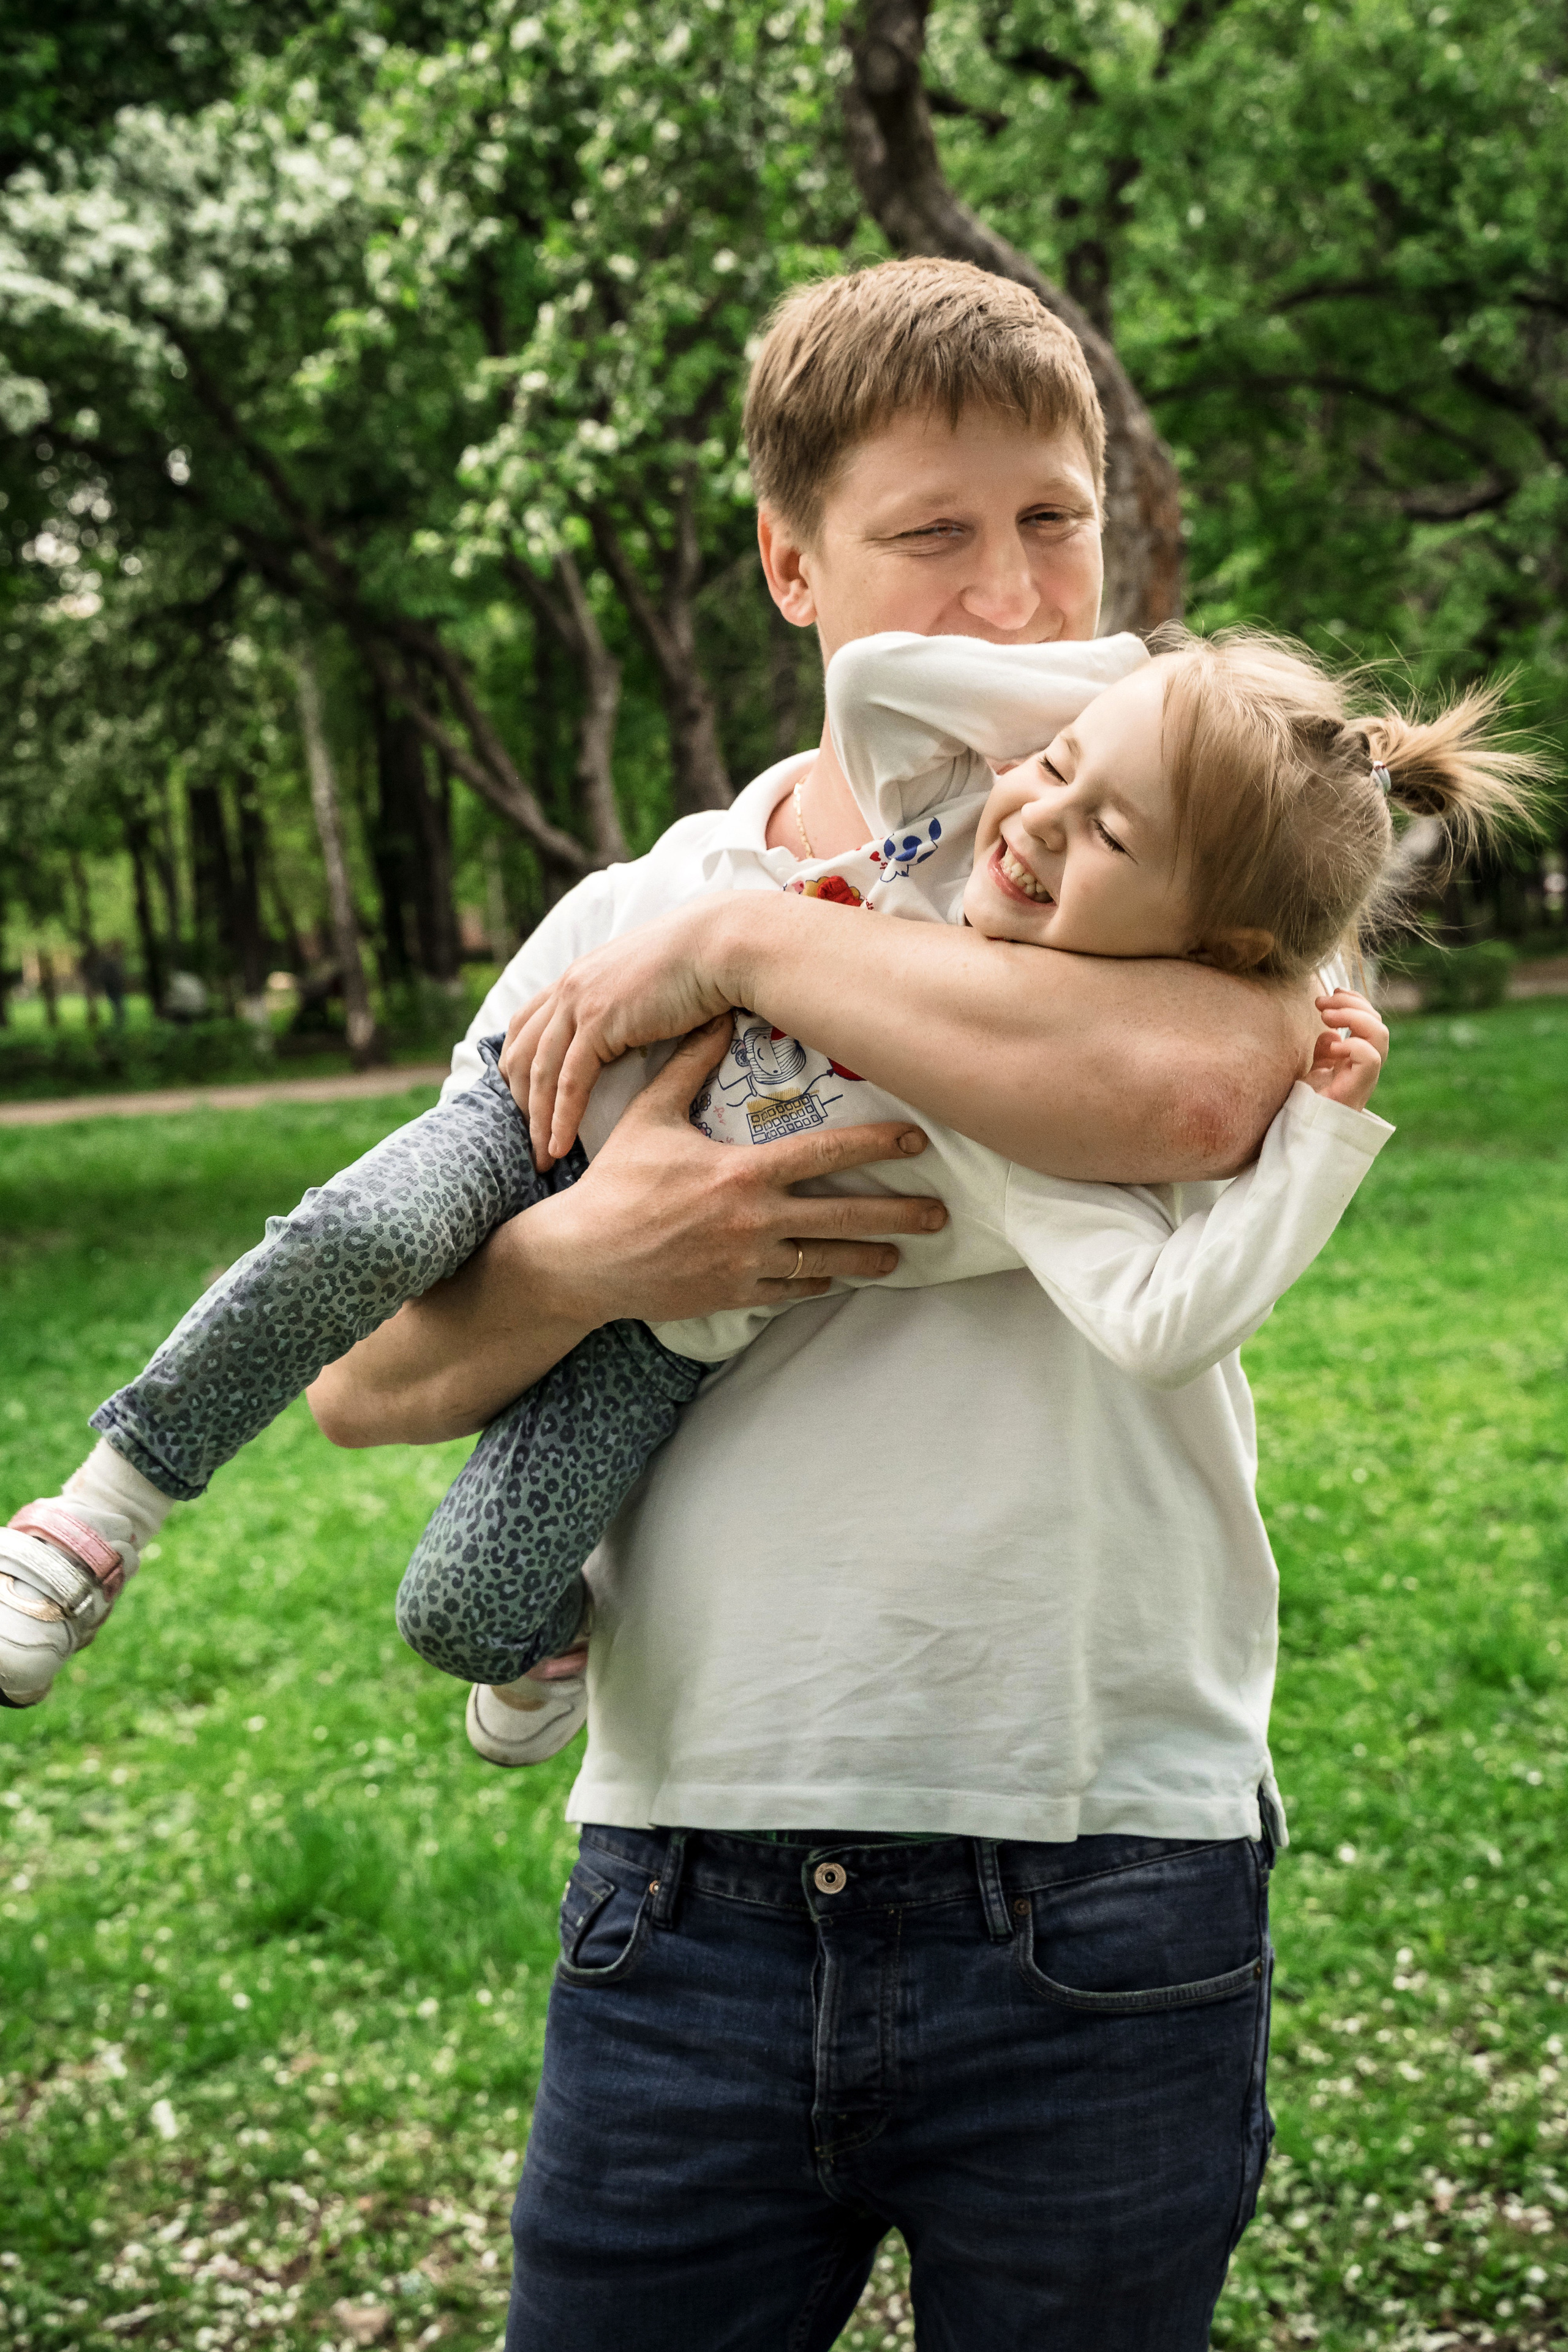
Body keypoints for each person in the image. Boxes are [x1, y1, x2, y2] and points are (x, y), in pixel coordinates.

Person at [12, 620, 1479, 1725]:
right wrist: (1143, 696)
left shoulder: (1058, 1124)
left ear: (1210, 937)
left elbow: (1163, 1323)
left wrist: (1318, 1146)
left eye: (1106, 831)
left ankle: (540, 1650)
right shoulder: (951, 820)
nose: (1036, 817)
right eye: (1054, 763)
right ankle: (92, 1522)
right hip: (544, 1099)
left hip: (667, 1341)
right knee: (358, 1235)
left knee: (459, 1613)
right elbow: (874, 684)